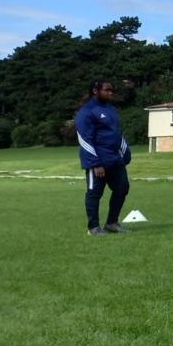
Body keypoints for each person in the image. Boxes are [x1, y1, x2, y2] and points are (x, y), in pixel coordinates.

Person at [74, 78, 132, 236]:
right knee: (94, 194)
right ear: (95, 91)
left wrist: (126, 152)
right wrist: (95, 163)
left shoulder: (110, 109)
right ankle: (93, 227)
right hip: (98, 162)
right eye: (107, 90)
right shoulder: (86, 113)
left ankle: (112, 223)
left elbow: (116, 134)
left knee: (122, 188)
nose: (110, 92)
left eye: (111, 90)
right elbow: (85, 140)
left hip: (115, 160)